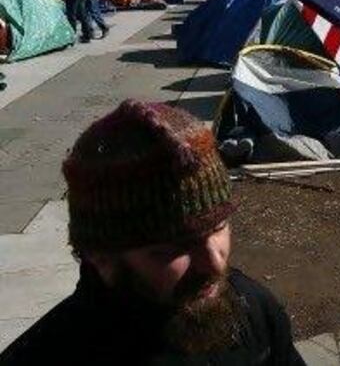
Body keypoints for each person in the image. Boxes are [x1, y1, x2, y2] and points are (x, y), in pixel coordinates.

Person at [0, 100, 306, 365]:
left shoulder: (252, 310)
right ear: (101, 257)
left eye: (218, 227)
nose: (214, 263)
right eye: (175, 248)